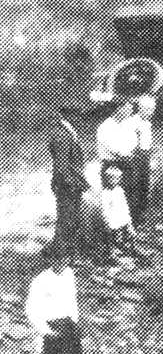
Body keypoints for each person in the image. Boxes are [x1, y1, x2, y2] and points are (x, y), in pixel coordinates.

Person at [49, 105, 90, 254]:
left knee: (70, 218)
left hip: (70, 182)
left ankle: (63, 251)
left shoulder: (68, 132)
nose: (79, 119)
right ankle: (61, 254)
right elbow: (61, 166)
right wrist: (71, 184)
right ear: (68, 117)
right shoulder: (62, 134)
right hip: (66, 184)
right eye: (77, 115)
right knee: (67, 220)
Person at [93, 163, 135, 267]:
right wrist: (108, 221)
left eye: (117, 178)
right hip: (110, 217)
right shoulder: (105, 193)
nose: (114, 181)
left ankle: (129, 250)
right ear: (107, 179)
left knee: (127, 232)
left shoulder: (120, 191)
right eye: (111, 178)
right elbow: (105, 210)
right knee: (113, 235)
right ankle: (112, 254)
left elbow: (124, 206)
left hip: (121, 215)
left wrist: (128, 220)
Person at [127, 96, 155, 225]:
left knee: (145, 185)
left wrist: (150, 157)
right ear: (140, 109)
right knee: (135, 186)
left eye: (152, 109)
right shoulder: (133, 122)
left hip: (145, 156)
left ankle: (142, 215)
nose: (150, 112)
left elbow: (148, 143)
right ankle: (133, 217)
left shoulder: (147, 123)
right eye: (148, 109)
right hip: (135, 156)